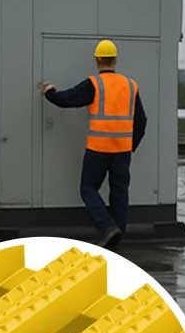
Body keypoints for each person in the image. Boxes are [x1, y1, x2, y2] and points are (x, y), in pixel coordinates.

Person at [40, 39, 147, 249]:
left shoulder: (94, 84)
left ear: (97, 60)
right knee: (119, 193)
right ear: (115, 60)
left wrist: (49, 92)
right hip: (122, 152)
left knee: (88, 188)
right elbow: (142, 121)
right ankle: (117, 237)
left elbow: (67, 99)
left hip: (98, 149)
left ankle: (107, 228)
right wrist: (130, 145)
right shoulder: (130, 85)